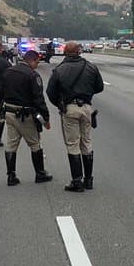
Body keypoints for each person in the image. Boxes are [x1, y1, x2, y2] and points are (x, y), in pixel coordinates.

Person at [46, 41, 104, 192]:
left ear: (65, 52)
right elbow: (100, 87)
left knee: (73, 144)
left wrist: (60, 104)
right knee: (86, 142)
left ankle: (77, 181)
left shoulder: (59, 70)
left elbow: (50, 92)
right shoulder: (91, 67)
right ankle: (88, 180)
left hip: (69, 108)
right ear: (79, 51)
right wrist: (87, 93)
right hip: (86, 107)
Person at [0, 49, 52, 186]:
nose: (37, 65)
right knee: (35, 143)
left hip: (9, 111)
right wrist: (45, 118)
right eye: (37, 62)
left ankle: (11, 176)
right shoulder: (32, 75)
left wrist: (1, 110)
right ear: (32, 60)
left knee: (11, 144)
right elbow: (38, 99)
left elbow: (1, 93)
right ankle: (40, 173)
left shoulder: (8, 71)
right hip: (25, 114)